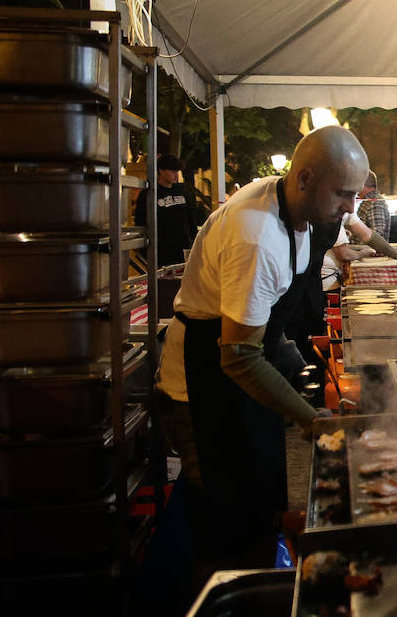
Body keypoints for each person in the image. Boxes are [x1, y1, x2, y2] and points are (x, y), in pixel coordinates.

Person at [156, 126, 368, 569]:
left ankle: (263, 561)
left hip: (242, 363)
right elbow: (238, 355)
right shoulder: (256, 237)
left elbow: (265, 329)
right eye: (344, 194)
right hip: (205, 380)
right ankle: (230, 602)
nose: (350, 208)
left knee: (261, 487)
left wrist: (289, 355)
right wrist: (310, 417)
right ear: (305, 178)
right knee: (225, 510)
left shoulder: (297, 207)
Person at [355, 169, 390, 239]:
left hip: (367, 249)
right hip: (362, 249)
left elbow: (377, 233)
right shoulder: (368, 201)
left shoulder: (375, 202)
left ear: (362, 184)